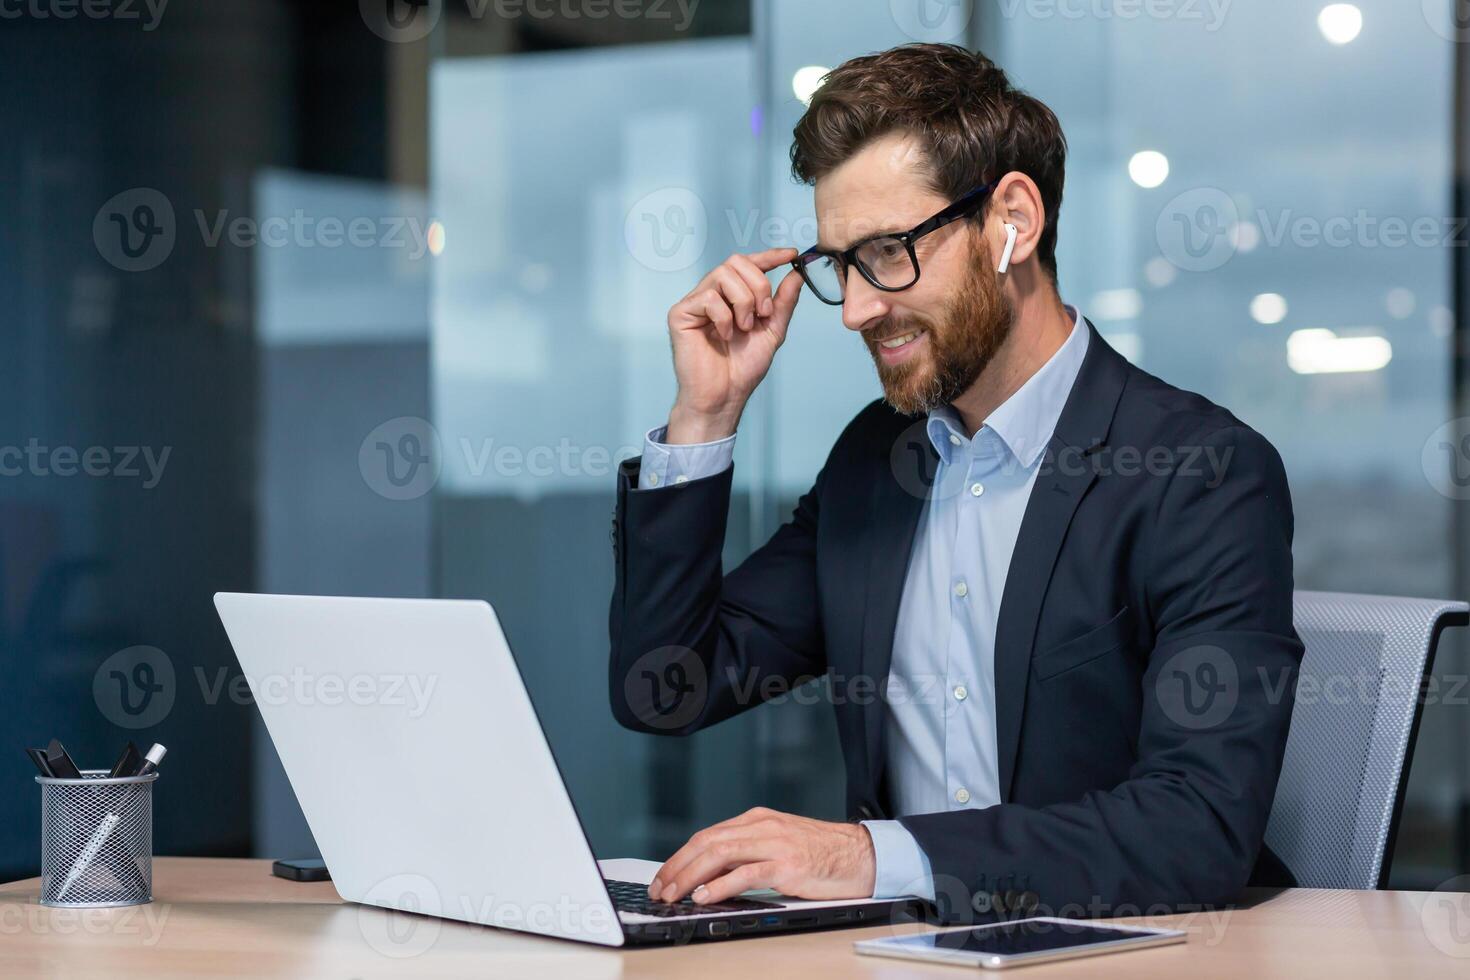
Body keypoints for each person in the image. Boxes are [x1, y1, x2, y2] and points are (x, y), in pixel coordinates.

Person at [608, 43, 1301, 921]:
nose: (858, 308)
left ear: (1012, 219)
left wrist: (870, 855)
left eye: (889, 251)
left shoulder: (1198, 472)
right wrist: (703, 419)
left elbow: (1195, 828)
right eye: (840, 266)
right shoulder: (877, 461)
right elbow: (666, 691)